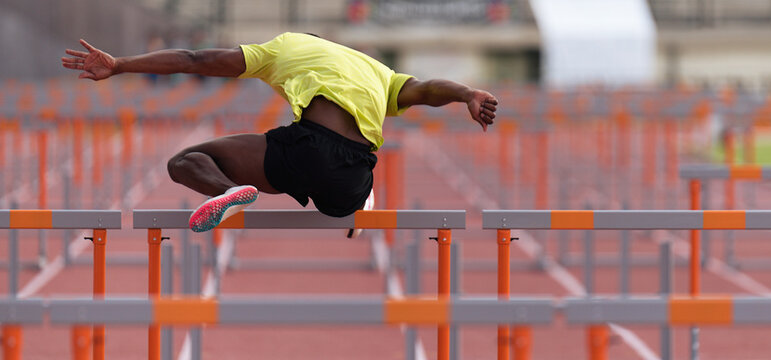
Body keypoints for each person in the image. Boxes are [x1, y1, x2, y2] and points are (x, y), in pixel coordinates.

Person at [61, 33, 498, 232]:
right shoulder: (377, 70)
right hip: (354, 170)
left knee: (187, 162)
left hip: (304, 150)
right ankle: (361, 195)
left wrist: (120, 66)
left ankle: (227, 192)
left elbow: (194, 59)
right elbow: (425, 90)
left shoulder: (284, 48)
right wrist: (468, 94)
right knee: (336, 202)